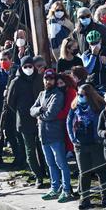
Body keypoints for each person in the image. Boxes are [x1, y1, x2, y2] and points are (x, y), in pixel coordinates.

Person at [31, 69, 74, 203]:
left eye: (50, 79)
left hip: (55, 135)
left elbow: (51, 114)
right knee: (50, 163)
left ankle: (66, 190)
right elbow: (32, 110)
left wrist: (40, 115)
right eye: (46, 78)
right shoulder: (41, 94)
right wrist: (39, 110)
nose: (48, 81)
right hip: (43, 135)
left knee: (61, 163)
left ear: (54, 80)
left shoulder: (58, 95)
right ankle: (54, 187)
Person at [5, 58, 46, 188]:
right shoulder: (16, 82)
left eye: (30, 66)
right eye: (26, 66)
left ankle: (46, 171)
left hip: (40, 118)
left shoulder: (40, 79)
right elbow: (10, 102)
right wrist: (21, 110)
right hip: (24, 120)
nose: (28, 68)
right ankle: (38, 175)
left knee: (42, 148)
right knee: (30, 151)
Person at [66, 82, 106, 209]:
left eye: (82, 95)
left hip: (96, 143)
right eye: (78, 94)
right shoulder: (75, 107)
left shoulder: (98, 106)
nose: (79, 97)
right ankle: (84, 199)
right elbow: (68, 122)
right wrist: (73, 139)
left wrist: (100, 138)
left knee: (101, 171)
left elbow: (102, 124)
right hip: (80, 144)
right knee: (84, 172)